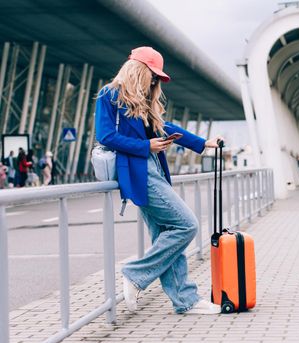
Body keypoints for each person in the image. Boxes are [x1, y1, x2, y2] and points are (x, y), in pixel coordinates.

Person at [95, 46, 223, 315]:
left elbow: (166, 128)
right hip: (136, 168)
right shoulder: (109, 94)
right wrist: (146, 147)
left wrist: (202, 143)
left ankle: (185, 300)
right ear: (137, 69)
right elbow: (105, 136)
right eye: (152, 76)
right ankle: (135, 274)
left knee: (166, 233)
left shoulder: (143, 100)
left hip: (152, 167)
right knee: (186, 225)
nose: (154, 82)